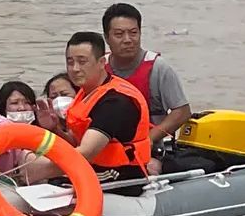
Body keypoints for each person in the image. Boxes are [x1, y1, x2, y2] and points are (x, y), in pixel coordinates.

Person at [28, 31, 153, 194]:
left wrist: (41, 170)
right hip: (93, 170)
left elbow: (86, 151)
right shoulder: (85, 93)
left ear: (102, 62)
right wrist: (55, 129)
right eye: (70, 62)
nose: (75, 69)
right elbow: (77, 142)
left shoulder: (115, 102)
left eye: (82, 62)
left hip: (120, 178)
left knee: (51, 180)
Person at [100, 3, 193, 174]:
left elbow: (182, 111)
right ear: (107, 38)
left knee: (150, 168)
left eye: (133, 33)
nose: (127, 39)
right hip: (103, 150)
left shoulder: (158, 68)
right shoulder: (99, 68)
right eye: (119, 34)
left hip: (148, 153)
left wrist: (149, 139)